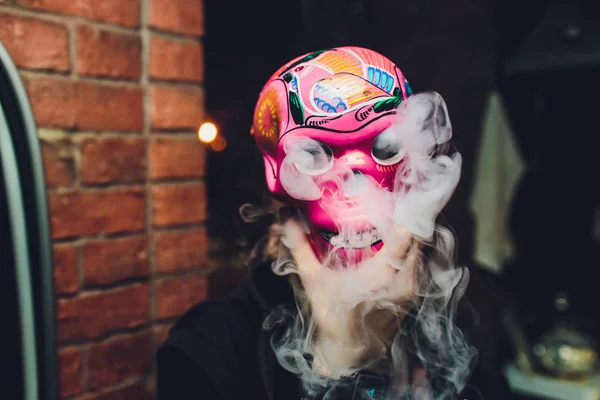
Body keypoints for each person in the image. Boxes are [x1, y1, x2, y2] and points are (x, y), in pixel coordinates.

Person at [156, 47, 510, 400]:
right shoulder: (209, 352)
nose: (355, 188)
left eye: (385, 149)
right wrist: (345, 357)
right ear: (277, 182)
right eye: (313, 155)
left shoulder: (450, 337)